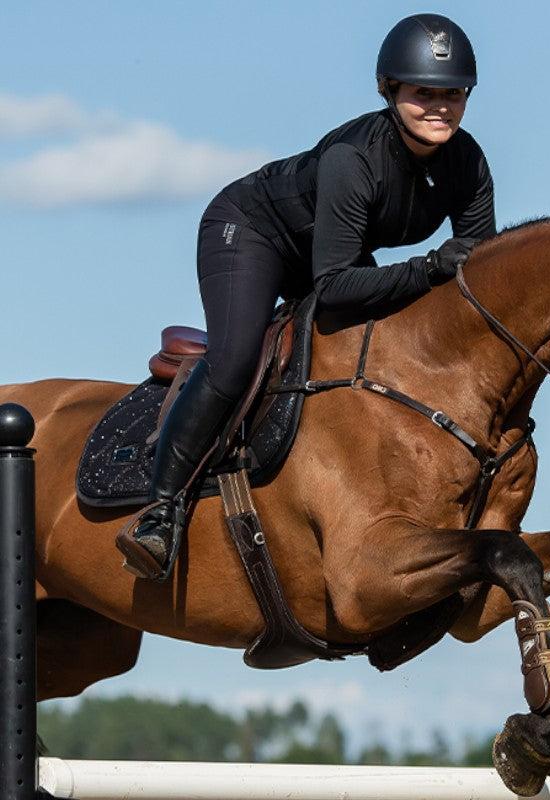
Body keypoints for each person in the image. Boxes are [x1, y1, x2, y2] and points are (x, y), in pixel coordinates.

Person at [115, 13, 496, 580]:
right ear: (389, 90)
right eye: (423, 93)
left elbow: (479, 276)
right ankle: (160, 511)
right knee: (237, 357)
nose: (439, 107)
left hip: (328, 253)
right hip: (251, 233)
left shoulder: (468, 162)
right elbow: (336, 287)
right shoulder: (355, 158)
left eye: (452, 94)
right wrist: (425, 268)